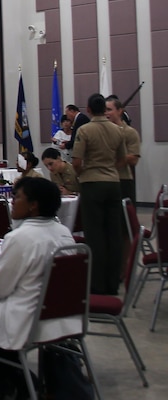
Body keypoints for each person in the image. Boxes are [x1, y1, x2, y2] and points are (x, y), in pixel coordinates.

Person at [0, 176, 77, 400]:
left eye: (17, 197)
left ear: (33, 204)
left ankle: (13, 378)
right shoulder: (64, 233)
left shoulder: (20, 238)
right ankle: (16, 379)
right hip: (61, 313)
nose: (12, 201)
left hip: (28, 314)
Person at [72, 93, 126, 295]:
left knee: (95, 235)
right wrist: (110, 169)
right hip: (113, 182)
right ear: (105, 109)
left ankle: (96, 284)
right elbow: (122, 160)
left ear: (88, 109)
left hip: (92, 183)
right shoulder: (117, 130)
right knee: (113, 233)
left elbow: (76, 162)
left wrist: (83, 174)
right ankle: (113, 283)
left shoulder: (85, 130)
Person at [106, 95, 141, 204]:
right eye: (104, 110)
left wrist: (114, 157)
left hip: (123, 179)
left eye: (109, 110)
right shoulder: (101, 132)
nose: (106, 113)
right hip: (104, 180)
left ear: (120, 111)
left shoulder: (130, 132)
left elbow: (134, 159)